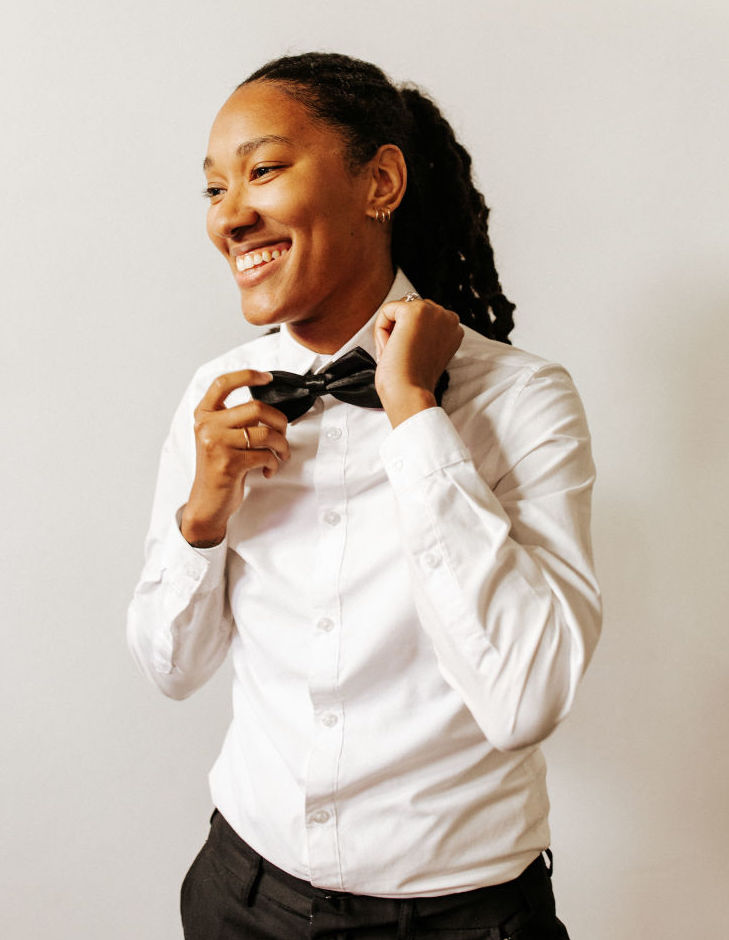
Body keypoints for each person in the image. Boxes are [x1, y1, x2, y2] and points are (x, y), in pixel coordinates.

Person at [127, 51, 601, 939]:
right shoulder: (221, 395)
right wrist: (201, 520)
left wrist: (415, 415)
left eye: (262, 170)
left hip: (461, 917)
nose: (231, 215)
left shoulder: (521, 401)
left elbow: (527, 696)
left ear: (379, 181)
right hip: (241, 896)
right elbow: (170, 670)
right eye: (213, 188)